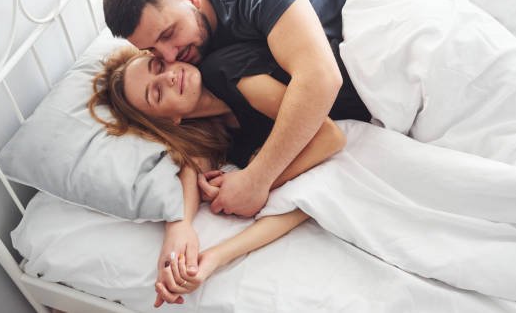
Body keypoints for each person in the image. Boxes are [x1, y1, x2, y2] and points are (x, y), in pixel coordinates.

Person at [102, 0, 364, 216]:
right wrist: (181, 226)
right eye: (152, 51)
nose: (169, 57)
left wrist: (257, 179)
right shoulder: (189, 60)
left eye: (168, 34)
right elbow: (189, 148)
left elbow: (321, 78)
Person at [87, 46, 347, 306]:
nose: (167, 77)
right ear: (171, 119)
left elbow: (329, 136)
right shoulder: (215, 138)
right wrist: (182, 231)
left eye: (158, 66)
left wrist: (255, 180)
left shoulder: (224, 70)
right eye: (157, 93)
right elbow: (191, 171)